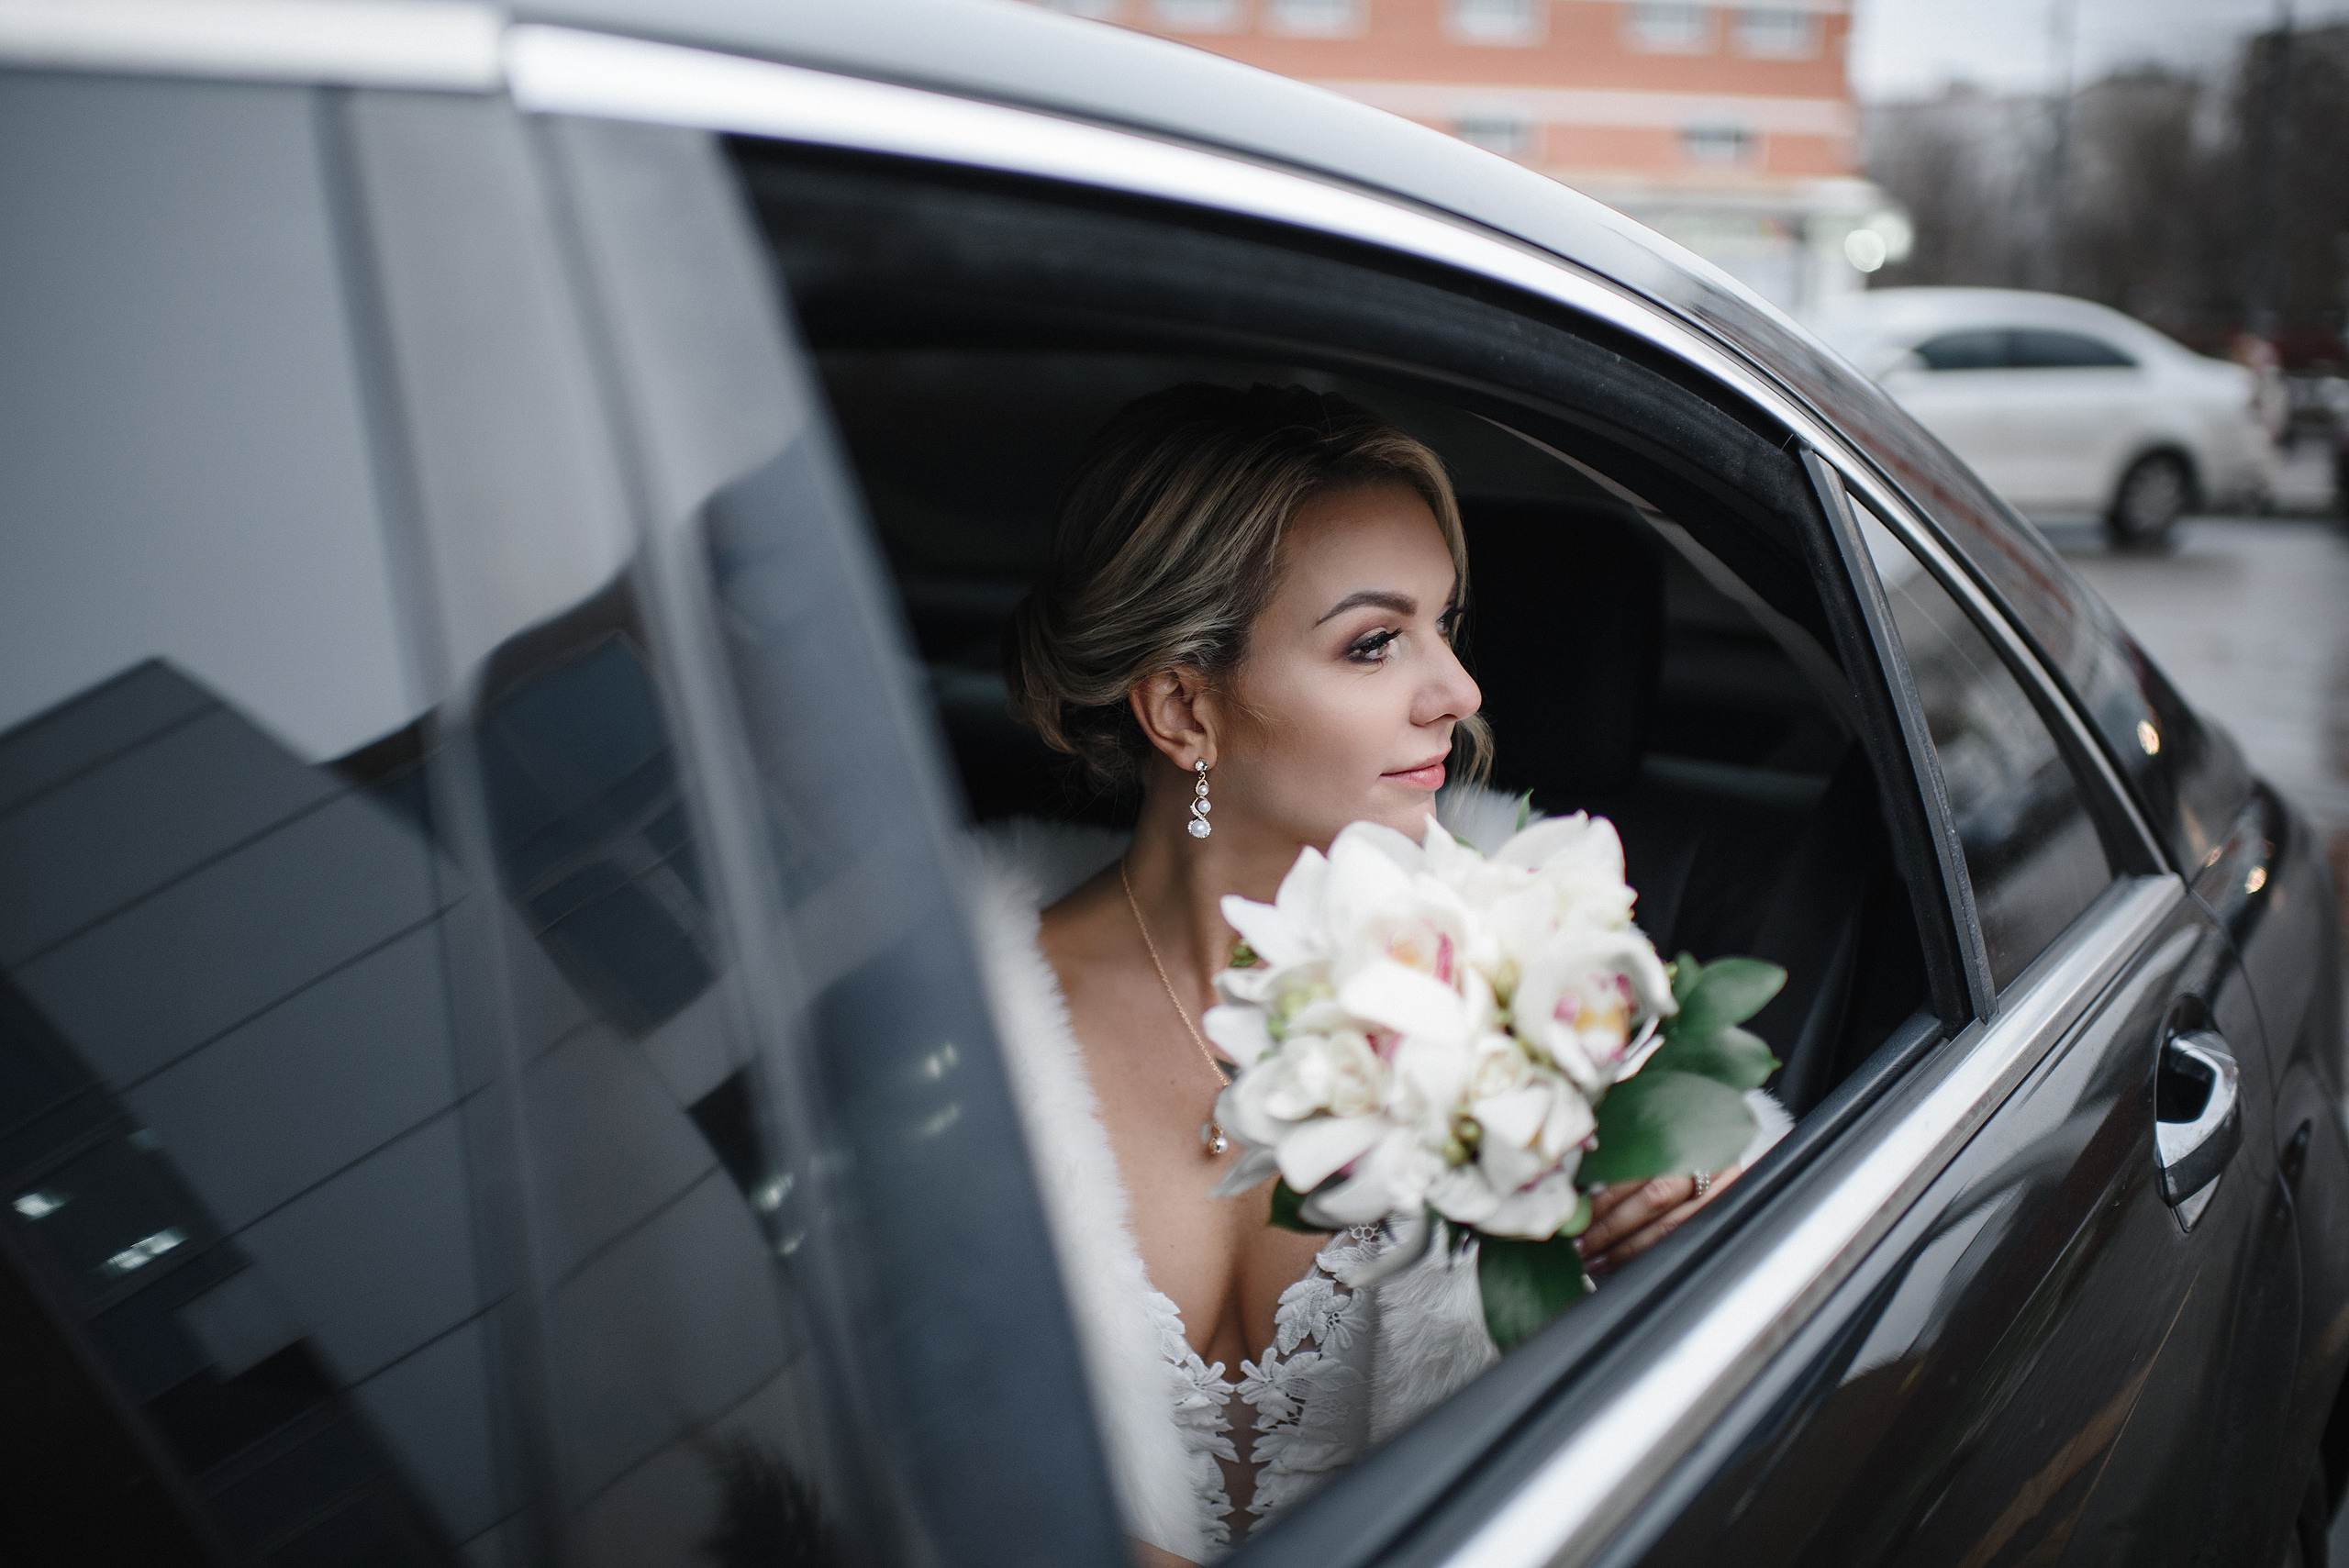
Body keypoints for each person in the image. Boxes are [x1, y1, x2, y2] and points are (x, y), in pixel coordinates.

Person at [966, 384, 1785, 1564]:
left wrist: (1702, 1207)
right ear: (1183, 707)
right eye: (1373, 641)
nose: (1458, 692)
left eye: (1446, 626)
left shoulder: (1545, 975)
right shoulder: (954, 1025)